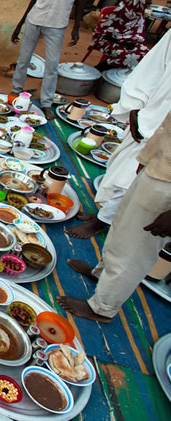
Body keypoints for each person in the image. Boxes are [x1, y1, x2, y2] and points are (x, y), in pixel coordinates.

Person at [58, 109, 171, 323]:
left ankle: (102, 308)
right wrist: (148, 157)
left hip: (167, 189)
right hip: (159, 168)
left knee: (136, 249)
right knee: (121, 228)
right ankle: (102, 274)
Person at [66, 30, 171, 240]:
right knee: (121, 167)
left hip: (162, 131)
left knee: (129, 179)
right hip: (150, 113)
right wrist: (135, 106)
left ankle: (101, 222)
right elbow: (153, 68)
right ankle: (103, 215)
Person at [11, 0, 100, 120]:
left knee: (52, 65)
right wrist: (21, 23)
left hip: (58, 21)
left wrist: (77, 26)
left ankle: (46, 103)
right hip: (37, 16)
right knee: (23, 59)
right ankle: (15, 93)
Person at [87, 0, 155, 71]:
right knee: (124, 56)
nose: (150, 2)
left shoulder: (139, 14)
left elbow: (138, 34)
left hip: (128, 42)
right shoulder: (121, 11)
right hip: (108, 41)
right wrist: (124, 39)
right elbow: (106, 32)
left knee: (145, 55)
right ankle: (100, 70)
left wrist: (131, 40)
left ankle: (122, 75)